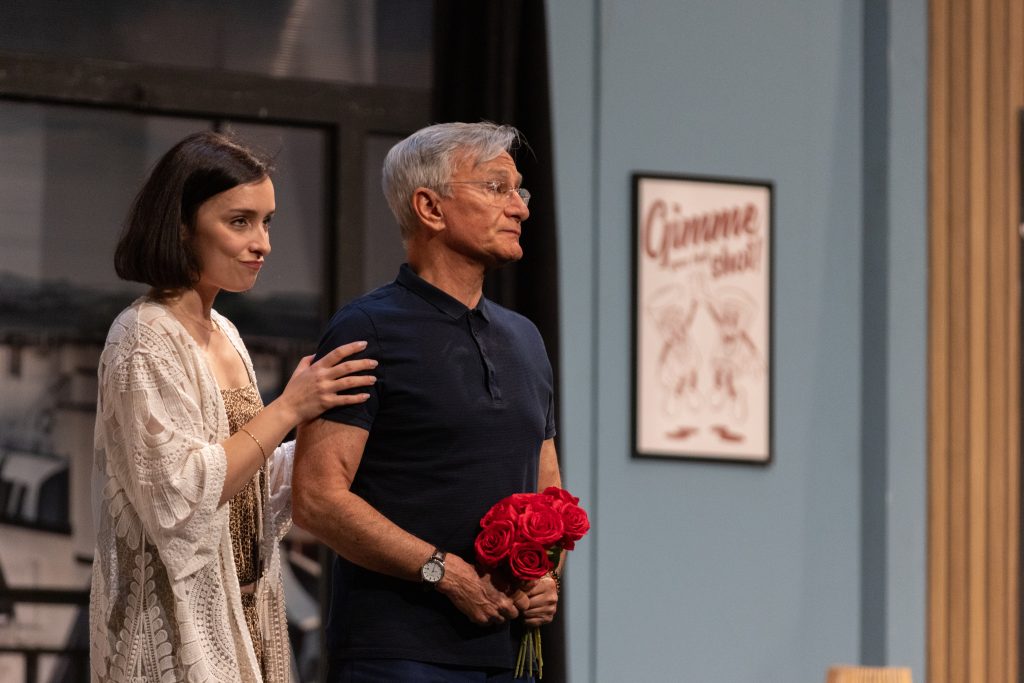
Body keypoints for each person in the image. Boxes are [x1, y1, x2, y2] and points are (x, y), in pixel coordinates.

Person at [89, 131, 376, 682]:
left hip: (246, 614)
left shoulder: (224, 332)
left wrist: (330, 433)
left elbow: (246, 484)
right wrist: (289, 408)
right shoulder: (144, 336)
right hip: (175, 632)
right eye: (240, 221)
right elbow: (178, 494)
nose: (262, 243)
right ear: (181, 225)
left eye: (267, 222)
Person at [293, 121, 563, 682]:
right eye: (496, 188)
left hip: (510, 653)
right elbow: (318, 498)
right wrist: (444, 573)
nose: (519, 208)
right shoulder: (366, 328)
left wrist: (546, 576)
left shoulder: (526, 339)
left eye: (520, 191)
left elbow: (547, 488)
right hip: (398, 656)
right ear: (430, 207)